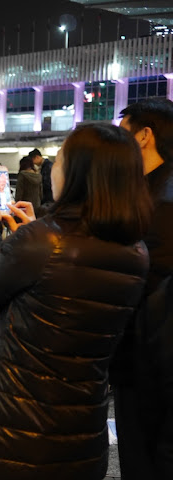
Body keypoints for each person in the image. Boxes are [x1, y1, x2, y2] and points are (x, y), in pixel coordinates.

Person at [0, 123, 152, 480]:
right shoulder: (137, 250)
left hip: (10, 432)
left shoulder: (42, 241)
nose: (53, 168)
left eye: (61, 159)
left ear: (77, 173)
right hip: (81, 433)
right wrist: (32, 234)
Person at [112, 98, 173, 479]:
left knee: (142, 457)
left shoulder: (163, 204)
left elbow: (146, 281)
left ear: (144, 136)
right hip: (145, 354)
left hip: (145, 360)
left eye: (123, 135)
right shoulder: (150, 189)